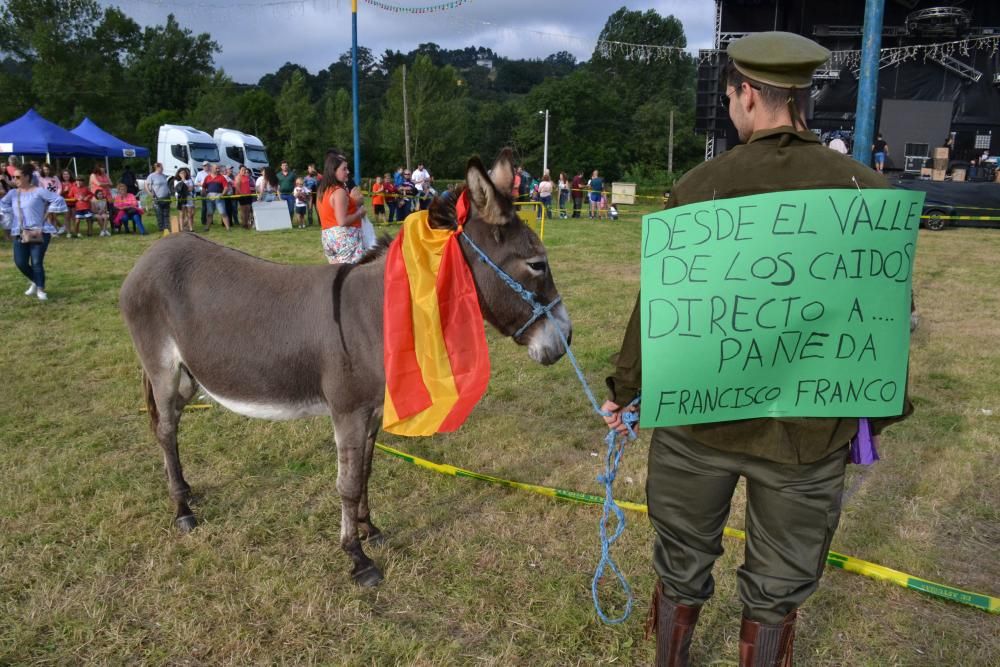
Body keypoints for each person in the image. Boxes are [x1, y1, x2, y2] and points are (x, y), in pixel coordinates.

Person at [601, 32, 913, 666]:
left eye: (731, 97)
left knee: (681, 563)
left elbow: (658, 309)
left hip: (698, 423)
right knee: (777, 592)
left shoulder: (700, 185)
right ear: (803, 97)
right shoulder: (867, 193)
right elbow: (885, 319)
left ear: (746, 95)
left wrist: (626, 394)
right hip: (808, 433)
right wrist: (869, 414)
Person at [2, 162, 66, 300]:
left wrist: (47, 214)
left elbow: (58, 199)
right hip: (20, 232)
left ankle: (41, 289)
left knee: (36, 262)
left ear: (27, 177)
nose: (14, 180)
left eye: (17, 177)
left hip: (40, 231)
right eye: (13, 177)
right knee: (20, 262)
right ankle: (36, 281)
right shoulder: (13, 193)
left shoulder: (39, 191)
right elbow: (2, 204)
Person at [317, 150, 366, 264]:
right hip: (344, 237)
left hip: (328, 237)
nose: (348, 172)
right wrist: (360, 213)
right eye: (344, 169)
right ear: (334, 171)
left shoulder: (323, 190)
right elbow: (342, 221)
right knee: (350, 276)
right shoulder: (339, 192)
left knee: (336, 275)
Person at [145, 162, 173, 237]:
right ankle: (161, 228)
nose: (162, 169)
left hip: (166, 197)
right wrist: (150, 193)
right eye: (161, 167)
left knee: (166, 213)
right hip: (157, 198)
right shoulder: (151, 176)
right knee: (159, 214)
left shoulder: (163, 176)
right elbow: (146, 185)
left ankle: (167, 227)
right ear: (157, 168)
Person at [202, 164, 230, 230]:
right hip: (209, 197)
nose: (218, 170)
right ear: (212, 168)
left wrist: (222, 195)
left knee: (223, 212)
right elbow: (203, 187)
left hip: (219, 196)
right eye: (216, 168)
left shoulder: (222, 177)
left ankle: (228, 228)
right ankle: (207, 227)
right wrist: (206, 195)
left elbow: (226, 188)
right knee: (209, 213)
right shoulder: (207, 177)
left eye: (218, 168)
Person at [174, 168, 195, 232]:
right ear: (178, 174)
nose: (183, 174)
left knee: (190, 213)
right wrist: (183, 181)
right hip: (180, 198)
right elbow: (178, 189)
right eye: (181, 173)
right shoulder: (176, 180)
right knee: (182, 213)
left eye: (184, 173)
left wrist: (184, 183)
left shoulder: (189, 180)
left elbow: (190, 189)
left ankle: (191, 227)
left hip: (188, 197)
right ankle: (182, 228)